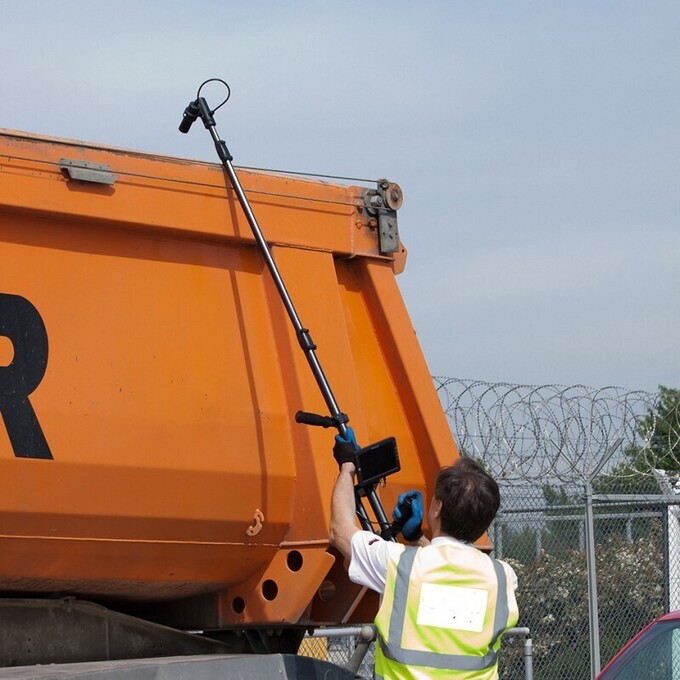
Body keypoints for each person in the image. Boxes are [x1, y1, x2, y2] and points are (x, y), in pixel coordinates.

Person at [329, 429, 519, 680]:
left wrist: (348, 466)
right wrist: (418, 538)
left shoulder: (398, 565)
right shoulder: (503, 578)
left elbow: (340, 531)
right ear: (484, 525)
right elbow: (448, 591)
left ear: (438, 507)